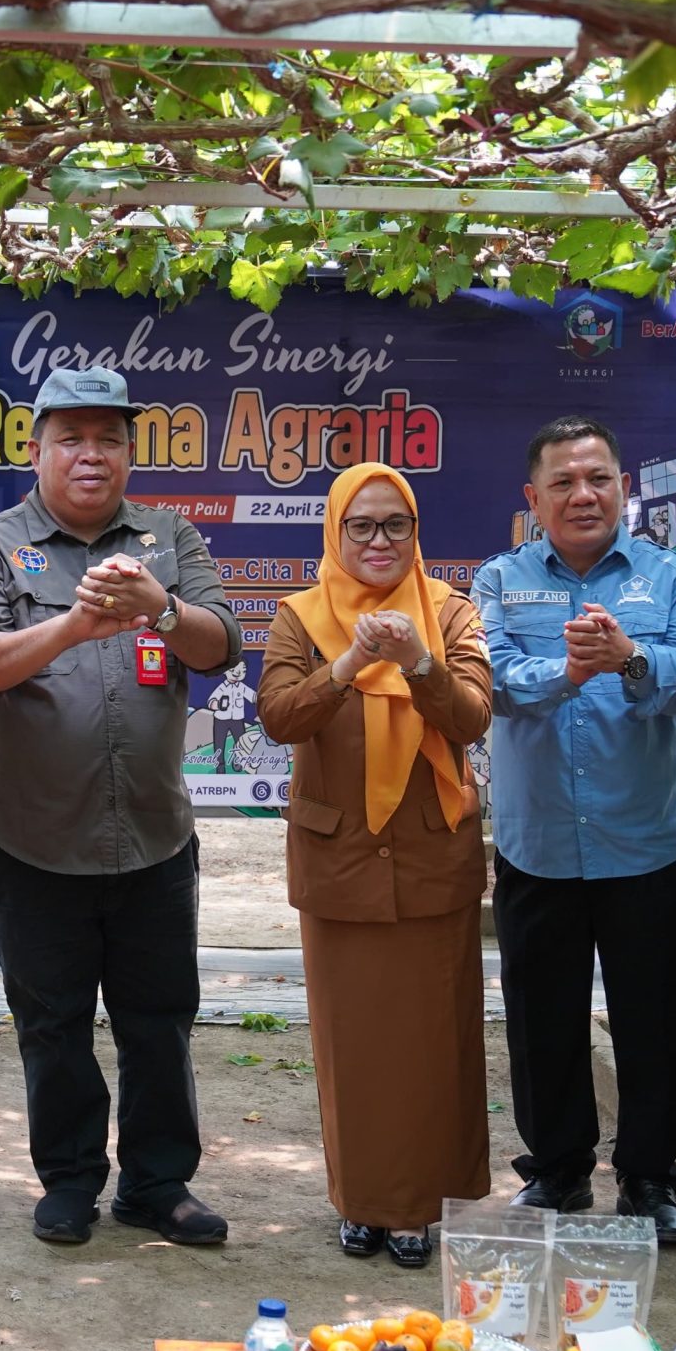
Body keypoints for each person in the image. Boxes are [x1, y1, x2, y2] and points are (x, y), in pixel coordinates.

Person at [0, 365, 243, 1247]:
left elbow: (222, 644)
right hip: (33, 840)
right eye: (70, 437)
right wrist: (72, 624)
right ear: (36, 450)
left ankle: (158, 1183)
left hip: (152, 836)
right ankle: (70, 1179)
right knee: (53, 1023)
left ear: (128, 453)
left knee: (160, 1021)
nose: (91, 454)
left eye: (109, 437)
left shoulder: (169, 536)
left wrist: (162, 608)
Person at [469, 415, 676, 1243]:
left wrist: (630, 658)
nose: (584, 495)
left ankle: (649, 1177)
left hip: (642, 841)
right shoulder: (500, 579)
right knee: (542, 1015)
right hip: (537, 842)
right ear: (533, 497)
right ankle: (559, 1170)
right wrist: (568, 670)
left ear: (625, 488)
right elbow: (490, 677)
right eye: (565, 482)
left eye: (599, 478)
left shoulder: (670, 575)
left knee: (654, 1017)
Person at [257, 464, 493, 1267]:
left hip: (431, 860)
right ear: (336, 532)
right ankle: (361, 1201)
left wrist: (421, 661)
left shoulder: (451, 611)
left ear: (416, 530)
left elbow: (471, 715)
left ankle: (419, 1207)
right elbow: (280, 717)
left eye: (397, 524)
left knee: (433, 1045)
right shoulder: (300, 617)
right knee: (351, 1044)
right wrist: (347, 662)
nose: (380, 540)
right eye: (361, 525)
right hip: (341, 863)